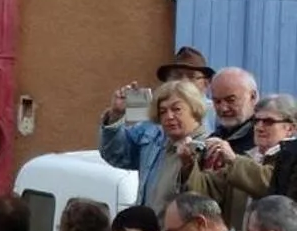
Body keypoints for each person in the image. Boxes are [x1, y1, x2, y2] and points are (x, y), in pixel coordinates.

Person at [101, 52, 212, 204]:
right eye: (177, 76)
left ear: (206, 83)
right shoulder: (153, 126)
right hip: (148, 222)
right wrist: (116, 115)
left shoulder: (216, 129)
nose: (183, 82)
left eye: (192, 76)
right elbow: (117, 155)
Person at [207, 93, 297, 208]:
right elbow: (212, 192)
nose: (259, 127)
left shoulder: (292, 159)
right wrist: (190, 165)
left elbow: (271, 184)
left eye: (268, 122)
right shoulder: (247, 156)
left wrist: (234, 160)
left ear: (290, 128)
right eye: (256, 121)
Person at [209, 68, 260, 158]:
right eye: (217, 101)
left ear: (253, 97)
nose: (223, 108)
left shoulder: (263, 138)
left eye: (231, 100)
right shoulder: (214, 138)